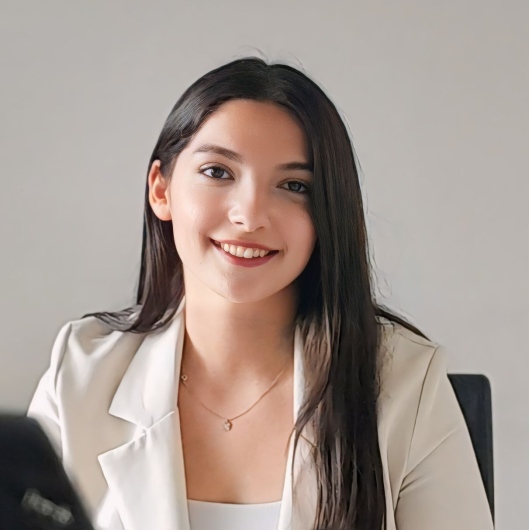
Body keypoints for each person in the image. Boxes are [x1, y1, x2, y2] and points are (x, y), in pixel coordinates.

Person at [27, 57, 494, 530]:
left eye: (293, 185)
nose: (249, 217)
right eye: (218, 172)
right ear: (161, 190)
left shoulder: (405, 383)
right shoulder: (80, 374)